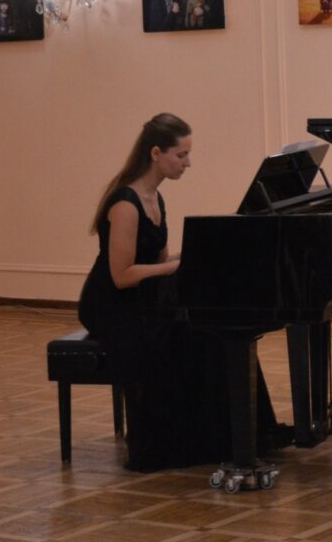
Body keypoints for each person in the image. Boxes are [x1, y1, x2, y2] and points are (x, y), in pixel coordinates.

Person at [79, 113, 231, 471]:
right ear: (156, 153)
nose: (187, 163)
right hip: (112, 305)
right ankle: (168, 444)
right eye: (181, 155)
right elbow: (122, 276)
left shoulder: (155, 198)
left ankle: (214, 437)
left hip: (141, 298)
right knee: (171, 338)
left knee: (213, 331)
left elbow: (159, 260)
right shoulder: (125, 204)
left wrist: (195, 254)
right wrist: (172, 267)